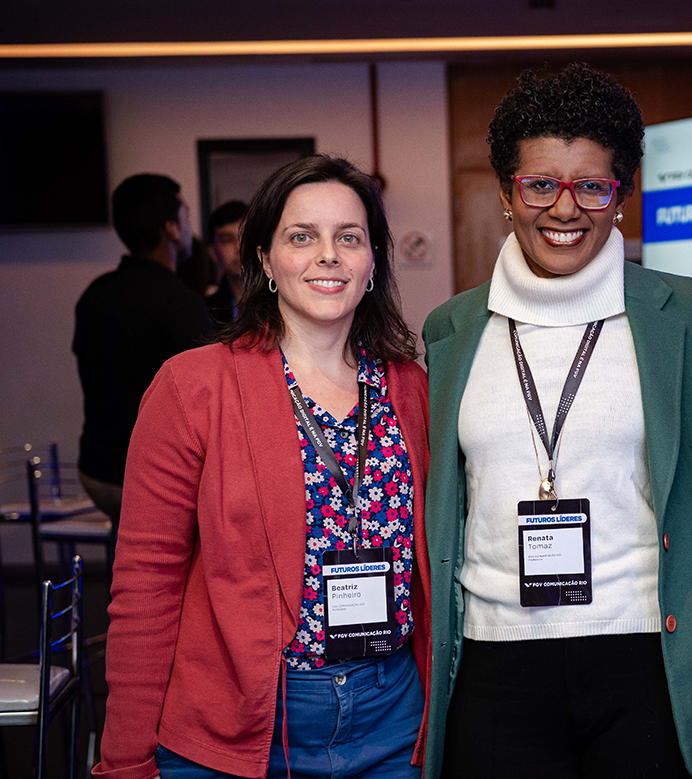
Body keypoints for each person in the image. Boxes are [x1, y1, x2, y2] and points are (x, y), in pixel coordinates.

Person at [421, 64, 692, 779]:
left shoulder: (686, 313)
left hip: (645, 653)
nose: (565, 208)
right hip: (494, 658)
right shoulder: (451, 329)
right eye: (539, 184)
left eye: (591, 185)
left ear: (619, 194)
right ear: (506, 192)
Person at [95, 155, 432, 779]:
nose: (328, 255)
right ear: (263, 260)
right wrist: (125, 759)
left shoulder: (411, 387)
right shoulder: (193, 386)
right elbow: (146, 586)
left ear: (372, 264)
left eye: (349, 238)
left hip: (393, 720)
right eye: (302, 237)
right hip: (241, 724)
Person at [73, 174, 212, 525]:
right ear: (172, 229)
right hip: (150, 478)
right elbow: (209, 401)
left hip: (95, 470)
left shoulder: (94, 294)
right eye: (186, 215)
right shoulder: (181, 303)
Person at [205, 199, 249, 326]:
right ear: (213, 252)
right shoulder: (204, 311)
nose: (239, 248)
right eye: (228, 240)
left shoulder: (284, 302)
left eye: (246, 237)